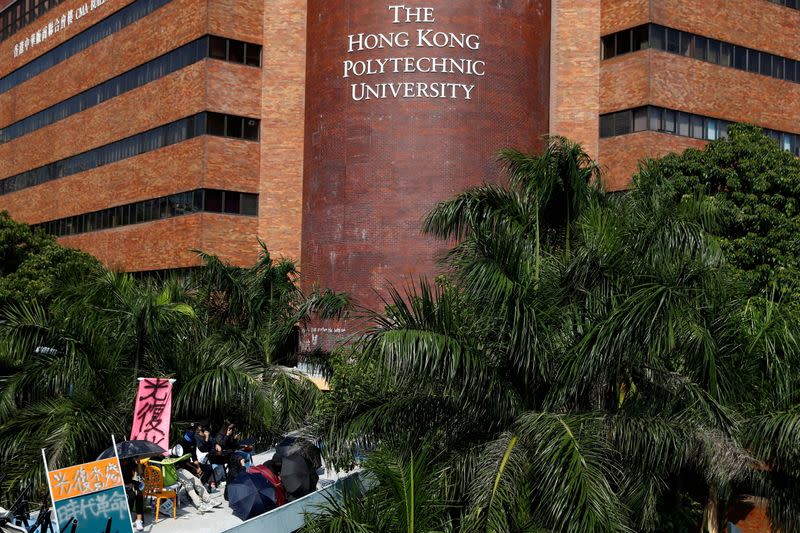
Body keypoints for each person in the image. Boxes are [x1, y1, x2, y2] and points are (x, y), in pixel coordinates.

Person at [170, 445, 221, 514]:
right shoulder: (164, 455)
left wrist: (195, 467)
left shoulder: (174, 453)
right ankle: (199, 505)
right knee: (188, 484)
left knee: (197, 480)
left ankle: (208, 499)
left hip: (179, 469)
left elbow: (184, 462)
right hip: (171, 472)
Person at [195, 424, 225, 491]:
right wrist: (206, 438)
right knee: (211, 467)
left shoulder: (207, 434)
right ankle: (208, 482)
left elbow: (213, 441)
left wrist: (216, 444)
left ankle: (214, 481)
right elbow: (203, 449)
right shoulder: (197, 437)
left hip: (210, 454)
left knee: (222, 462)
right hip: (202, 456)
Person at [122, 459, 145, 532]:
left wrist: (138, 463)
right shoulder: (117, 462)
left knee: (139, 494)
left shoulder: (130, 461)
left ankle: (139, 520)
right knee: (131, 496)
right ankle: (128, 519)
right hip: (121, 485)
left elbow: (140, 472)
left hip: (131, 483)